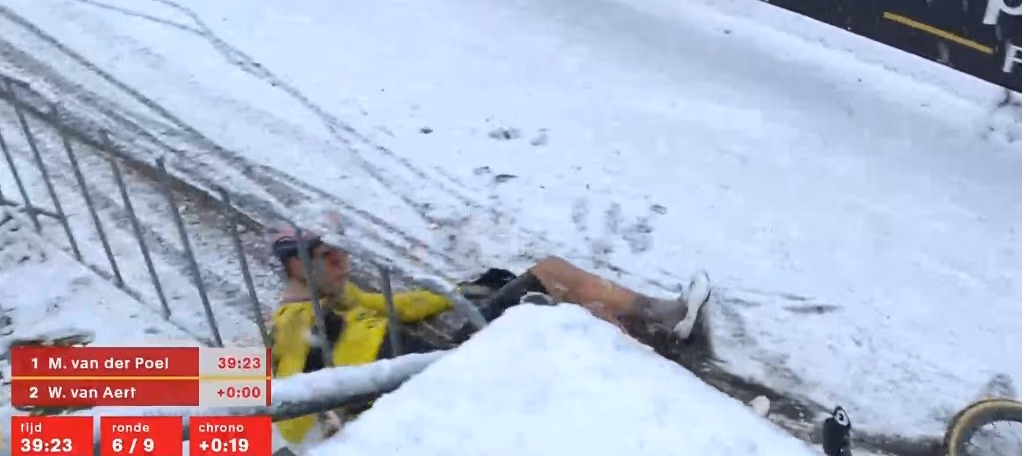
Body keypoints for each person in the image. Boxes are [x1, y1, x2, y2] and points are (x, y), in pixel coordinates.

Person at [269, 227, 712, 443]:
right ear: (296, 267)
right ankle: (662, 325)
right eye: (329, 258)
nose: (342, 264)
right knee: (552, 276)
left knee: (543, 286)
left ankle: (656, 340)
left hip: (446, 359)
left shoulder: (337, 300)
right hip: (440, 377)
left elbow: (396, 306)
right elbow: (289, 405)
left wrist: (459, 294)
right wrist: (335, 431)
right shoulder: (297, 324)